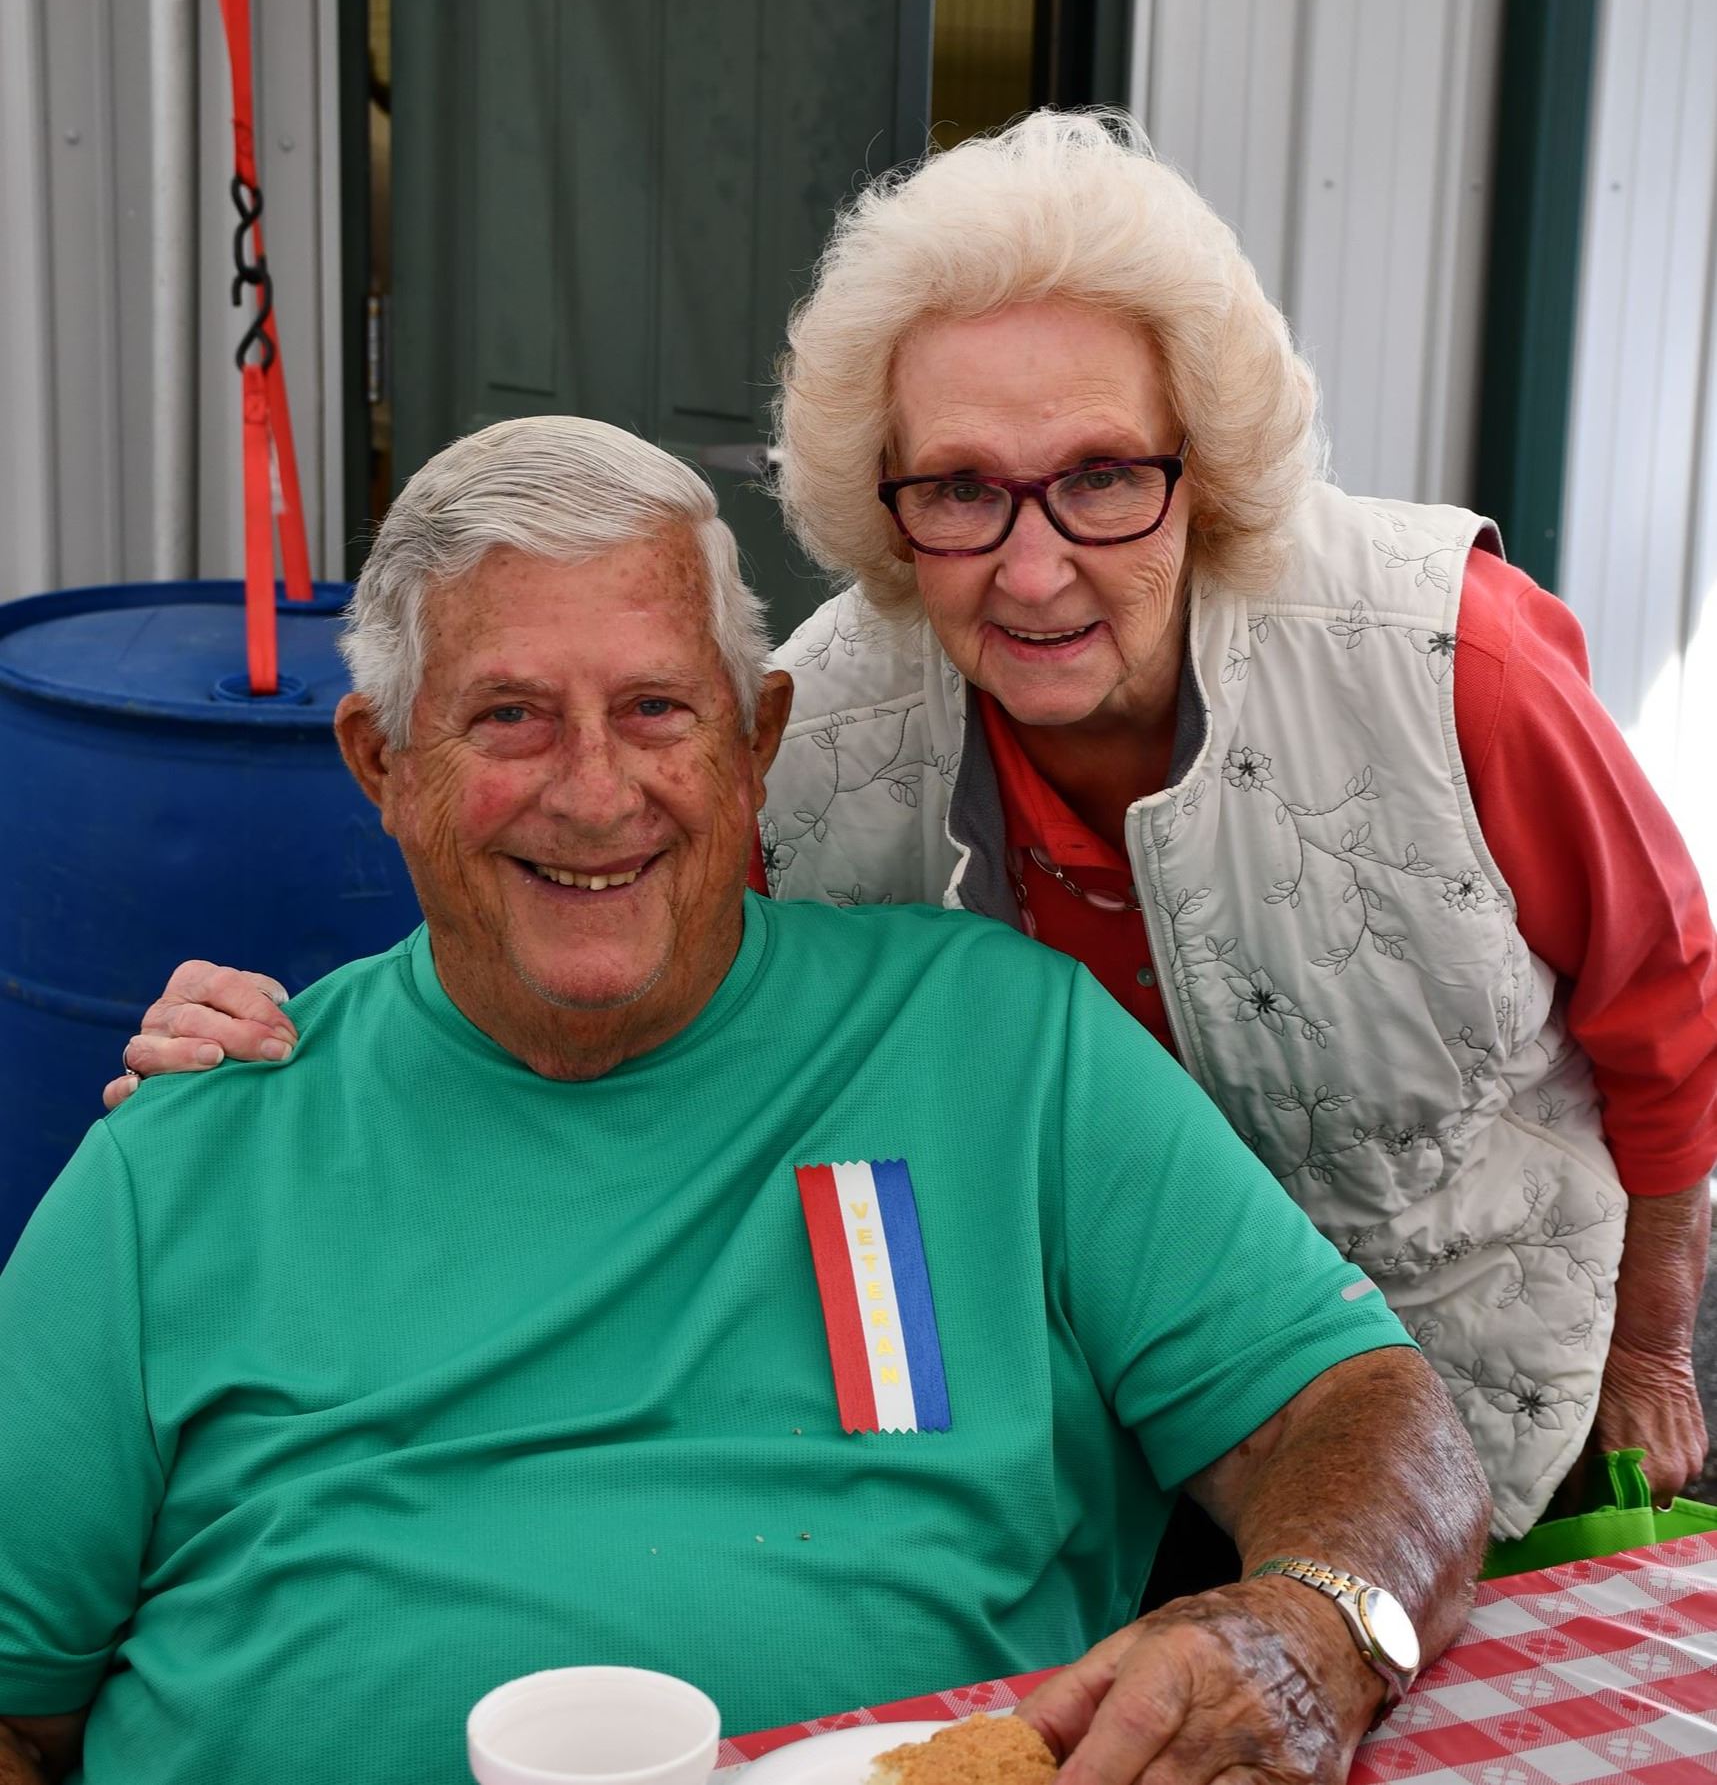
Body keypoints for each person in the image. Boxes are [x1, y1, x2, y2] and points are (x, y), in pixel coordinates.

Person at [112, 112, 1717, 1546]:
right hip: (1099, 1444)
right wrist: (285, 1056)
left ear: (1202, 462)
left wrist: (1648, 1348)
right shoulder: (809, 725)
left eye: (1098, 476)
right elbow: (590, 900)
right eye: (956, 489)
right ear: (876, 494)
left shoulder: (1444, 662)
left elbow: (1664, 1004)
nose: (1028, 569)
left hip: (1486, 1405)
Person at [0, 419, 1488, 1785]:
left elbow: (1356, 1401)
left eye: (656, 709)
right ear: (383, 762)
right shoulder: (189, 1145)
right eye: (508, 716)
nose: (594, 792)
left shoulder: (999, 1044)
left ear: (755, 739)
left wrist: (1311, 1627)